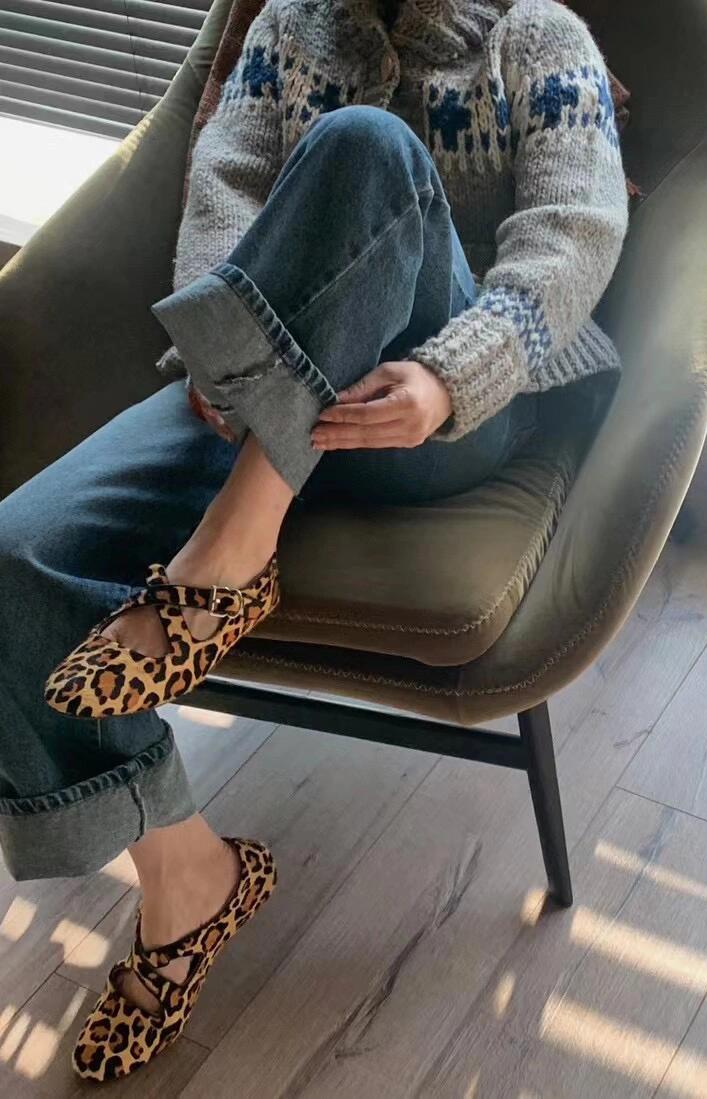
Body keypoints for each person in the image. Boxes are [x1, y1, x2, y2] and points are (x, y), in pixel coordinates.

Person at [0, 0, 627, 1080]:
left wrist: (452, 376)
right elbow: (222, 191)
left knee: (364, 141)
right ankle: (188, 875)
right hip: (258, 395)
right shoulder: (287, 27)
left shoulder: (536, 36)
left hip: (436, 411)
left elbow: (575, 234)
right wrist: (220, 358)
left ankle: (231, 552)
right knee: (14, 555)